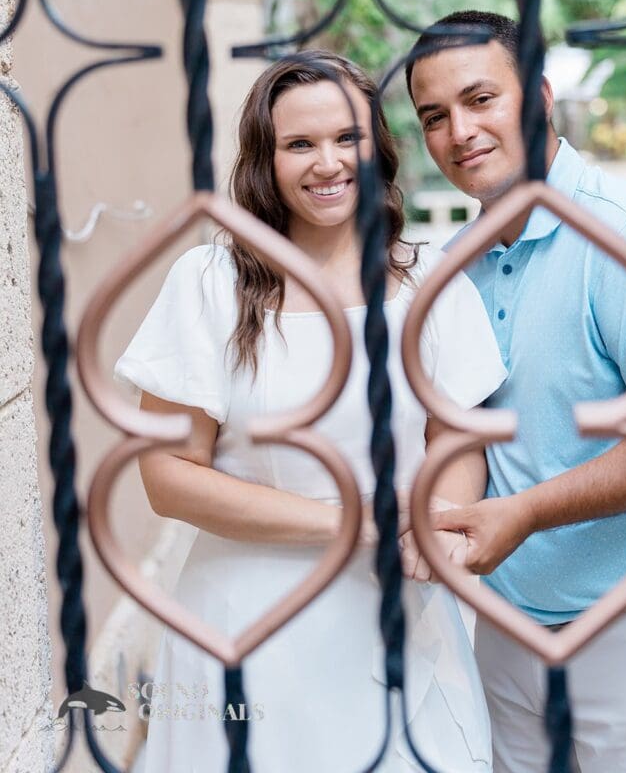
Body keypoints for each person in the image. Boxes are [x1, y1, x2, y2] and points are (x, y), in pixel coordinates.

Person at [114, 49, 507, 773]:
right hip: (247, 623)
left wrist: (436, 527)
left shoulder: (432, 284)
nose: (327, 164)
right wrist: (355, 521)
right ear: (266, 160)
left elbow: (457, 441)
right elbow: (166, 476)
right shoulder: (210, 282)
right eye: (299, 144)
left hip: (399, 615)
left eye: (345, 139)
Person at [406, 10, 626, 773]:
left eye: (480, 98)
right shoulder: (456, 261)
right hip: (501, 636)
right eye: (434, 116)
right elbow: (462, 427)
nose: (459, 131)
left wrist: (524, 512)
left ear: (540, 95)